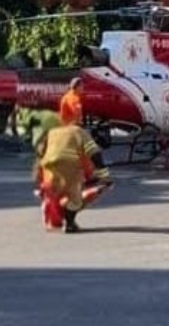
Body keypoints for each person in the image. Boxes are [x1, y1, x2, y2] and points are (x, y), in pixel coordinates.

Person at [34, 100, 112, 233]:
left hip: (48, 167)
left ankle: (58, 217)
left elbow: (41, 153)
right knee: (74, 199)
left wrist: (38, 176)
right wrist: (104, 176)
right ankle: (69, 224)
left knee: (55, 193)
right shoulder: (80, 132)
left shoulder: (54, 131)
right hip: (68, 165)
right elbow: (95, 154)